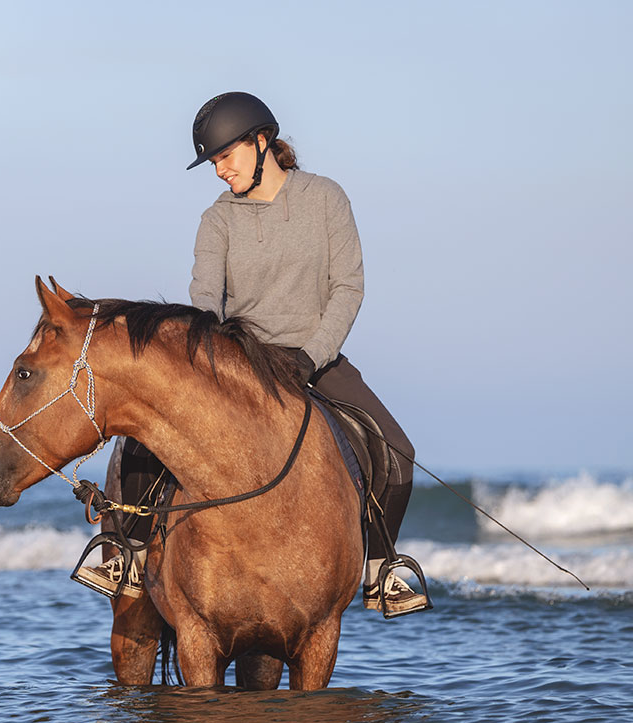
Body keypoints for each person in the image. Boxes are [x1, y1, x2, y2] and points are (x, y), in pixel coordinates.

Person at [75, 92, 428, 615]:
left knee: (398, 450)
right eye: (213, 162)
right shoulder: (217, 220)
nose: (218, 171)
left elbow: (348, 288)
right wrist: (221, 365)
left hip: (315, 359)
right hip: (238, 362)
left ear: (261, 142)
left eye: (224, 157)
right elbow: (204, 302)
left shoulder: (326, 199)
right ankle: (124, 552)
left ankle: (382, 570)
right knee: (141, 439)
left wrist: (309, 357)